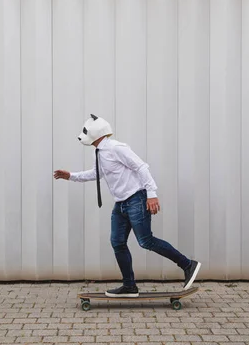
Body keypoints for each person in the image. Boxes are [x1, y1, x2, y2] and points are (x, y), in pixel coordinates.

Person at [53, 114, 201, 297]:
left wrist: (151, 194)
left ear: (96, 132)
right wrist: (71, 176)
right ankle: (129, 286)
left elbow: (141, 167)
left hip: (136, 199)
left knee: (146, 241)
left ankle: (188, 265)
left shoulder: (117, 148)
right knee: (117, 242)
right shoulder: (98, 151)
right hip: (121, 204)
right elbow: (97, 173)